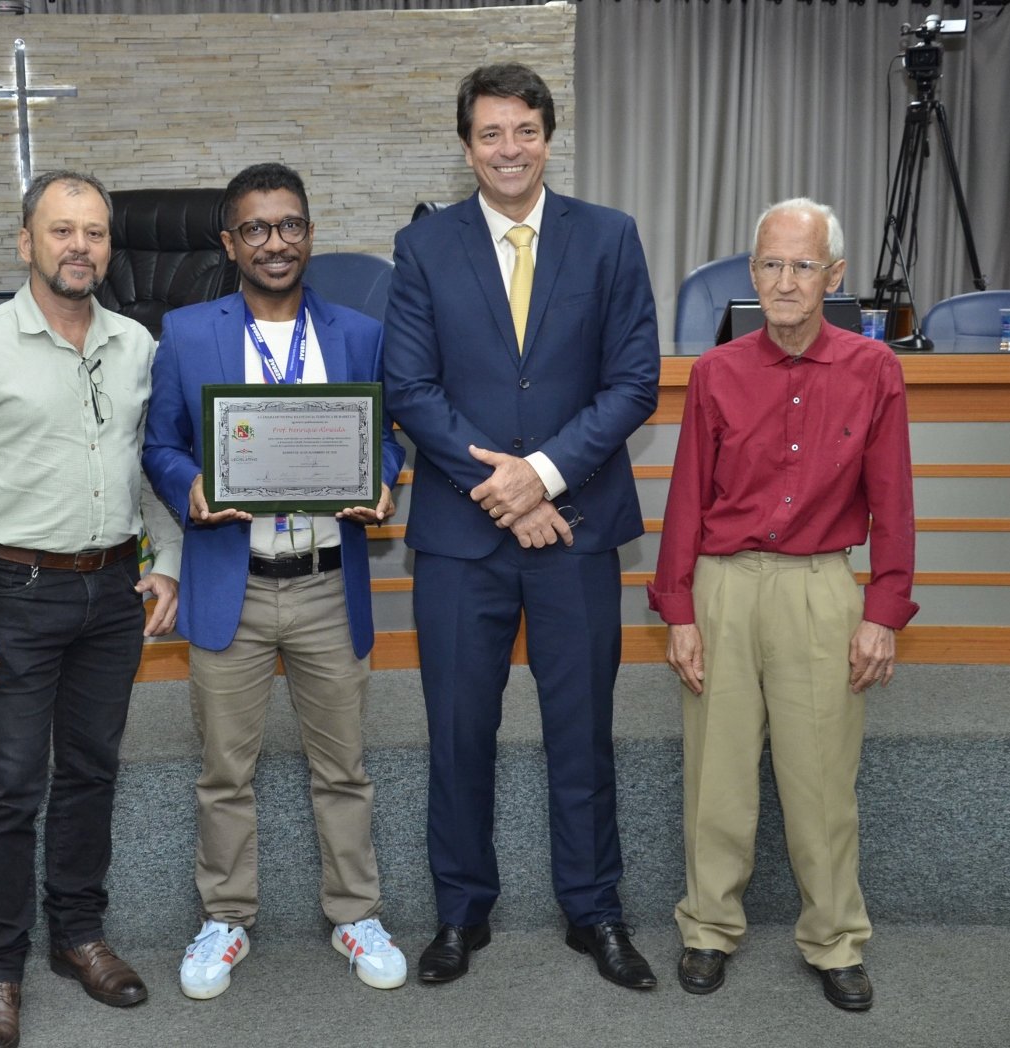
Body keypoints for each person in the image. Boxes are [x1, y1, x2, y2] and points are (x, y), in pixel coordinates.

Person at [382, 63, 661, 989]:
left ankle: (596, 911)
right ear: (467, 146)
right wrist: (503, 488)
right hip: (461, 542)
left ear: (550, 136)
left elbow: (633, 382)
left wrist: (538, 479)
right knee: (458, 732)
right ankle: (461, 912)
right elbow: (410, 388)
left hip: (575, 528)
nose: (510, 149)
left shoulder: (609, 238)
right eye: (491, 134)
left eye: (526, 131)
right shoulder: (424, 247)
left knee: (582, 732)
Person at [0, 169, 181, 1048]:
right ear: (26, 243)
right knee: (11, 786)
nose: (79, 247)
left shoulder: (137, 345)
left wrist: (168, 562)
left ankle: (78, 936)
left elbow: (152, 468)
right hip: (13, 595)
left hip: (113, 593)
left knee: (92, 773)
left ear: (110, 247)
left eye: (94, 233)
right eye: (61, 231)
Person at [142, 162, 408, 999]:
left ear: (310, 234)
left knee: (344, 767)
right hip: (235, 581)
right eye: (255, 229)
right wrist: (189, 483)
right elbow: (159, 444)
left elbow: (387, 437)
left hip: (329, 581)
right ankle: (225, 918)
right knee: (226, 771)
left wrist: (382, 478)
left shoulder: (358, 334)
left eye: (289, 224)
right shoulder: (187, 332)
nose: (275, 242)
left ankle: (355, 914)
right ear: (230, 244)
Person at [647, 198, 918, 1011]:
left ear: (834, 276)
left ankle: (835, 940)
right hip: (725, 586)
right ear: (752, 273)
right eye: (772, 264)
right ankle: (707, 928)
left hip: (819, 588)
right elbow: (687, 498)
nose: (786, 281)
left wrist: (883, 612)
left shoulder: (874, 370)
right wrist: (679, 612)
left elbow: (893, 501)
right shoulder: (716, 373)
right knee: (717, 775)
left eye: (803, 266)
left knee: (822, 782)